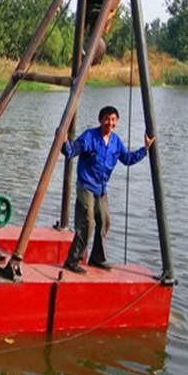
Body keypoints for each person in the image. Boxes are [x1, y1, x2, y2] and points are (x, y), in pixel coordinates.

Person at [61, 105, 154, 273]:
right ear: (100, 120)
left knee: (105, 222)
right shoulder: (90, 136)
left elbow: (127, 159)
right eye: (107, 119)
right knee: (87, 223)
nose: (110, 123)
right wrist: (63, 140)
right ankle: (72, 261)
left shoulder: (116, 142)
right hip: (86, 186)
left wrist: (145, 149)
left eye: (113, 120)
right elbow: (72, 151)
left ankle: (97, 258)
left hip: (101, 188)